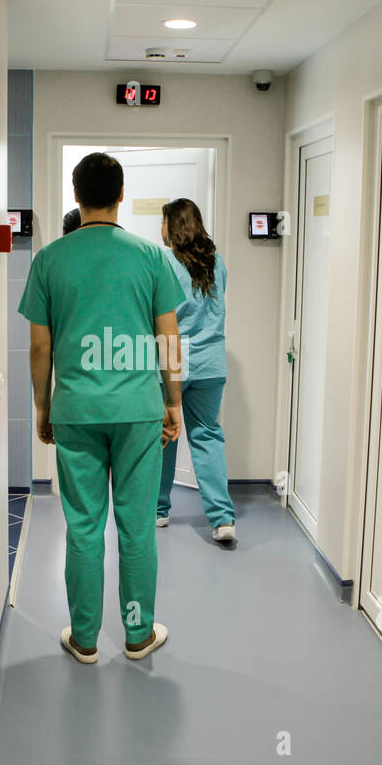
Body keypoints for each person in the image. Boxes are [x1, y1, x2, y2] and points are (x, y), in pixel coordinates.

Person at [18, 152, 186, 663]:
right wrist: (172, 400)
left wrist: (43, 407)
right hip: (138, 410)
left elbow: (40, 347)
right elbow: (168, 336)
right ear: (118, 195)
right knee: (137, 527)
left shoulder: (49, 259)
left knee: (84, 526)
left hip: (75, 409)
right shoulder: (150, 257)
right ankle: (137, 636)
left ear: (76, 196)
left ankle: (85, 639)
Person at [156, 198, 236, 544]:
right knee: (207, 436)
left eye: (163, 222)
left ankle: (157, 511)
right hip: (211, 364)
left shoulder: (164, 264)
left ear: (173, 226)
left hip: (173, 364)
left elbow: (160, 316)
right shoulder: (217, 263)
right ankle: (222, 520)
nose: (159, 229)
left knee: (163, 435)